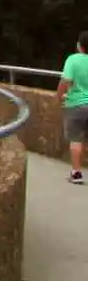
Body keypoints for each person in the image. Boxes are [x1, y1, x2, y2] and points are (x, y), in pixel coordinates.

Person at [59, 31, 88, 184]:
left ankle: (76, 173)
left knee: (76, 139)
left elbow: (65, 80)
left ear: (79, 45)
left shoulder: (73, 59)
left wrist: (59, 97)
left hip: (76, 104)